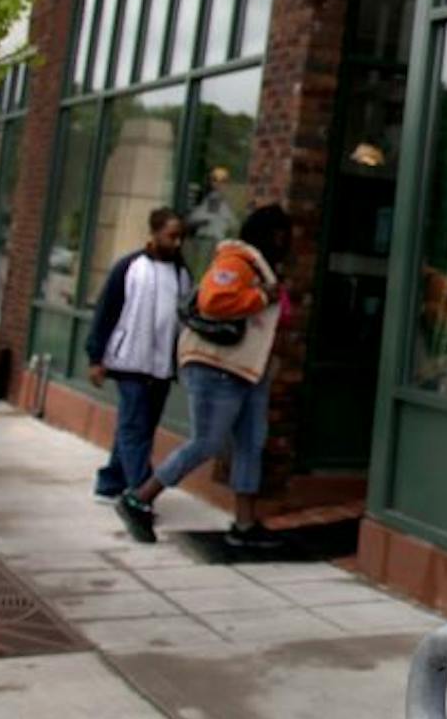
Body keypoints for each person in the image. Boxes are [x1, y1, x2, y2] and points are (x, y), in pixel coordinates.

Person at [115, 203, 292, 552]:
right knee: (206, 442)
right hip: (217, 368)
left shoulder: (265, 269)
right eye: (282, 234)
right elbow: (214, 300)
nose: (286, 242)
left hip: (249, 371)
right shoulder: (237, 261)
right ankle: (138, 499)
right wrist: (261, 296)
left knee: (250, 444)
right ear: (269, 234)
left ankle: (244, 524)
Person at [84, 206, 190, 503]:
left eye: (181, 237)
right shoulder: (128, 267)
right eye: (171, 236)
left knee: (138, 426)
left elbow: (183, 319)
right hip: (129, 361)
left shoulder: (182, 273)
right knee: (135, 427)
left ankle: (109, 483)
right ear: (154, 233)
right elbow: (106, 312)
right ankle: (139, 492)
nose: (177, 243)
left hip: (161, 368)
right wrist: (96, 357)